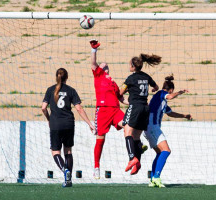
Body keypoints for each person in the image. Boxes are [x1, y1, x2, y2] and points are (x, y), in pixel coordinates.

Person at [42, 68, 94, 187]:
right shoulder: (71, 90)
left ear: (56, 77)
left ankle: (65, 171)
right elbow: (79, 108)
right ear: (67, 77)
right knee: (68, 151)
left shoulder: (50, 90)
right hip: (69, 124)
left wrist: (49, 119)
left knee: (55, 152)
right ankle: (68, 179)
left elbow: (43, 108)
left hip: (55, 124)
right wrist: (89, 124)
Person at [90, 40, 134, 179]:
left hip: (115, 110)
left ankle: (135, 151)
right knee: (100, 140)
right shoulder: (98, 76)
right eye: (102, 65)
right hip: (102, 111)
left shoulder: (113, 83)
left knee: (128, 124)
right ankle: (96, 167)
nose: (104, 65)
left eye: (105, 65)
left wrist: (133, 103)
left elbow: (121, 98)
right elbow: (93, 63)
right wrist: (94, 50)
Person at [144, 75, 192, 188]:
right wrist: (180, 92)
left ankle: (152, 180)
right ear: (170, 90)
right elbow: (169, 97)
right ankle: (156, 177)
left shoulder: (161, 102)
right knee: (166, 151)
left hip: (149, 127)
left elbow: (171, 113)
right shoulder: (161, 93)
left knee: (160, 153)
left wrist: (184, 116)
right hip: (152, 126)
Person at [120, 53, 161, 175]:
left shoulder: (130, 79)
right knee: (136, 136)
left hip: (135, 107)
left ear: (133, 66)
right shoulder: (147, 77)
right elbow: (156, 86)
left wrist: (124, 95)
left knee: (127, 131)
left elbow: (120, 92)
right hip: (145, 108)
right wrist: (153, 89)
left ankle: (132, 158)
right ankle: (137, 164)